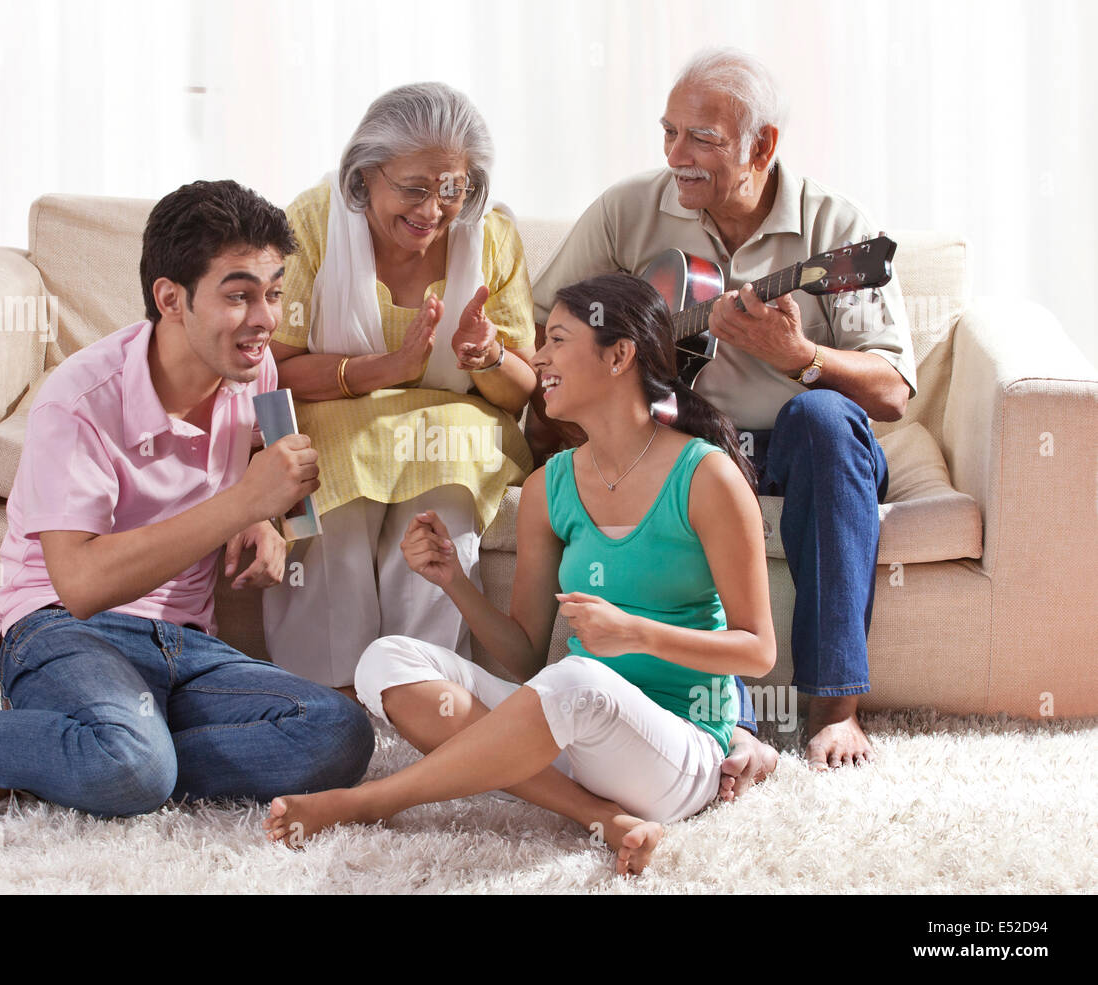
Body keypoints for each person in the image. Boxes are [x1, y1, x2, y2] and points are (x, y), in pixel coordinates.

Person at [0, 179, 374, 820]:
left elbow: (288, 494)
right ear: (171, 299)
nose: (266, 319)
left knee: (340, 733)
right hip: (62, 630)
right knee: (136, 764)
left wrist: (272, 521)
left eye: (272, 293)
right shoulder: (79, 401)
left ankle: (46, 755)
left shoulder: (255, 370)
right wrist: (245, 503)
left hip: (184, 643)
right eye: (239, 295)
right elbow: (78, 584)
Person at [263, 273, 777, 876]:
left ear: (619, 355)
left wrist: (636, 634)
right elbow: (528, 657)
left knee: (578, 679)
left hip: (678, 754)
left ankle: (365, 802)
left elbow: (758, 652)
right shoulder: (549, 485)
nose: (537, 358)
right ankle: (597, 815)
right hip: (567, 735)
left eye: (557, 340)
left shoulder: (705, 476)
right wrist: (452, 580)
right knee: (386, 661)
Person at [527, 47, 917, 774]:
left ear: (761, 145)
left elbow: (892, 390)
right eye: (668, 132)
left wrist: (802, 356)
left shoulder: (837, 229)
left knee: (825, 418)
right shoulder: (630, 210)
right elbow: (547, 317)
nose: (677, 156)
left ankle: (834, 708)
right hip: (685, 437)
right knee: (677, 439)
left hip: (800, 448)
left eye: (701, 139)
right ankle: (726, 723)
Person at [263, 82, 537, 693]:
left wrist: (486, 354)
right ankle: (325, 698)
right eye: (413, 188)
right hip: (335, 412)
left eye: (451, 190)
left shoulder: (489, 234)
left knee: (439, 501)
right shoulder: (312, 222)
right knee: (332, 495)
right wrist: (385, 368)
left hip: (451, 426)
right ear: (365, 175)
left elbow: (523, 390)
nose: (433, 211)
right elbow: (272, 366)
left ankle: (424, 694)